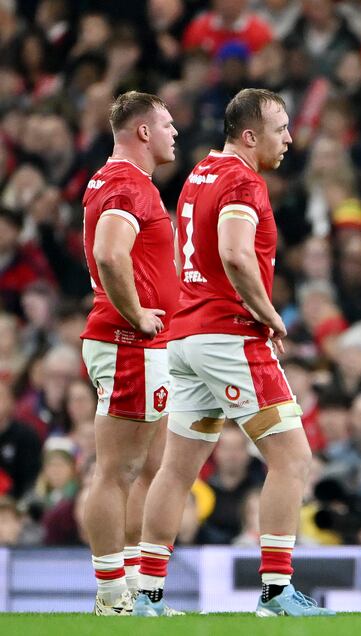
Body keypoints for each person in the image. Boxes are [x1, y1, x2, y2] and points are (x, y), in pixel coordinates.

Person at [133, 88, 333, 618]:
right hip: (229, 335)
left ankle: (146, 594)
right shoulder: (244, 180)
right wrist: (269, 313)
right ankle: (275, 590)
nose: (290, 138)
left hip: (185, 335)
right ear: (250, 135)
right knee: (293, 458)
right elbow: (235, 252)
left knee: (177, 469)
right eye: (280, 128)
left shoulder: (200, 173)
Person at [80, 91, 180, 616]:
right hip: (128, 343)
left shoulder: (114, 179)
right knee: (118, 470)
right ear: (143, 131)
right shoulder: (126, 184)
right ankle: (112, 592)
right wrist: (138, 313)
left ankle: (139, 589)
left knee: (152, 467)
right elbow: (108, 253)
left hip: (138, 344)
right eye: (167, 125)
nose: (174, 133)